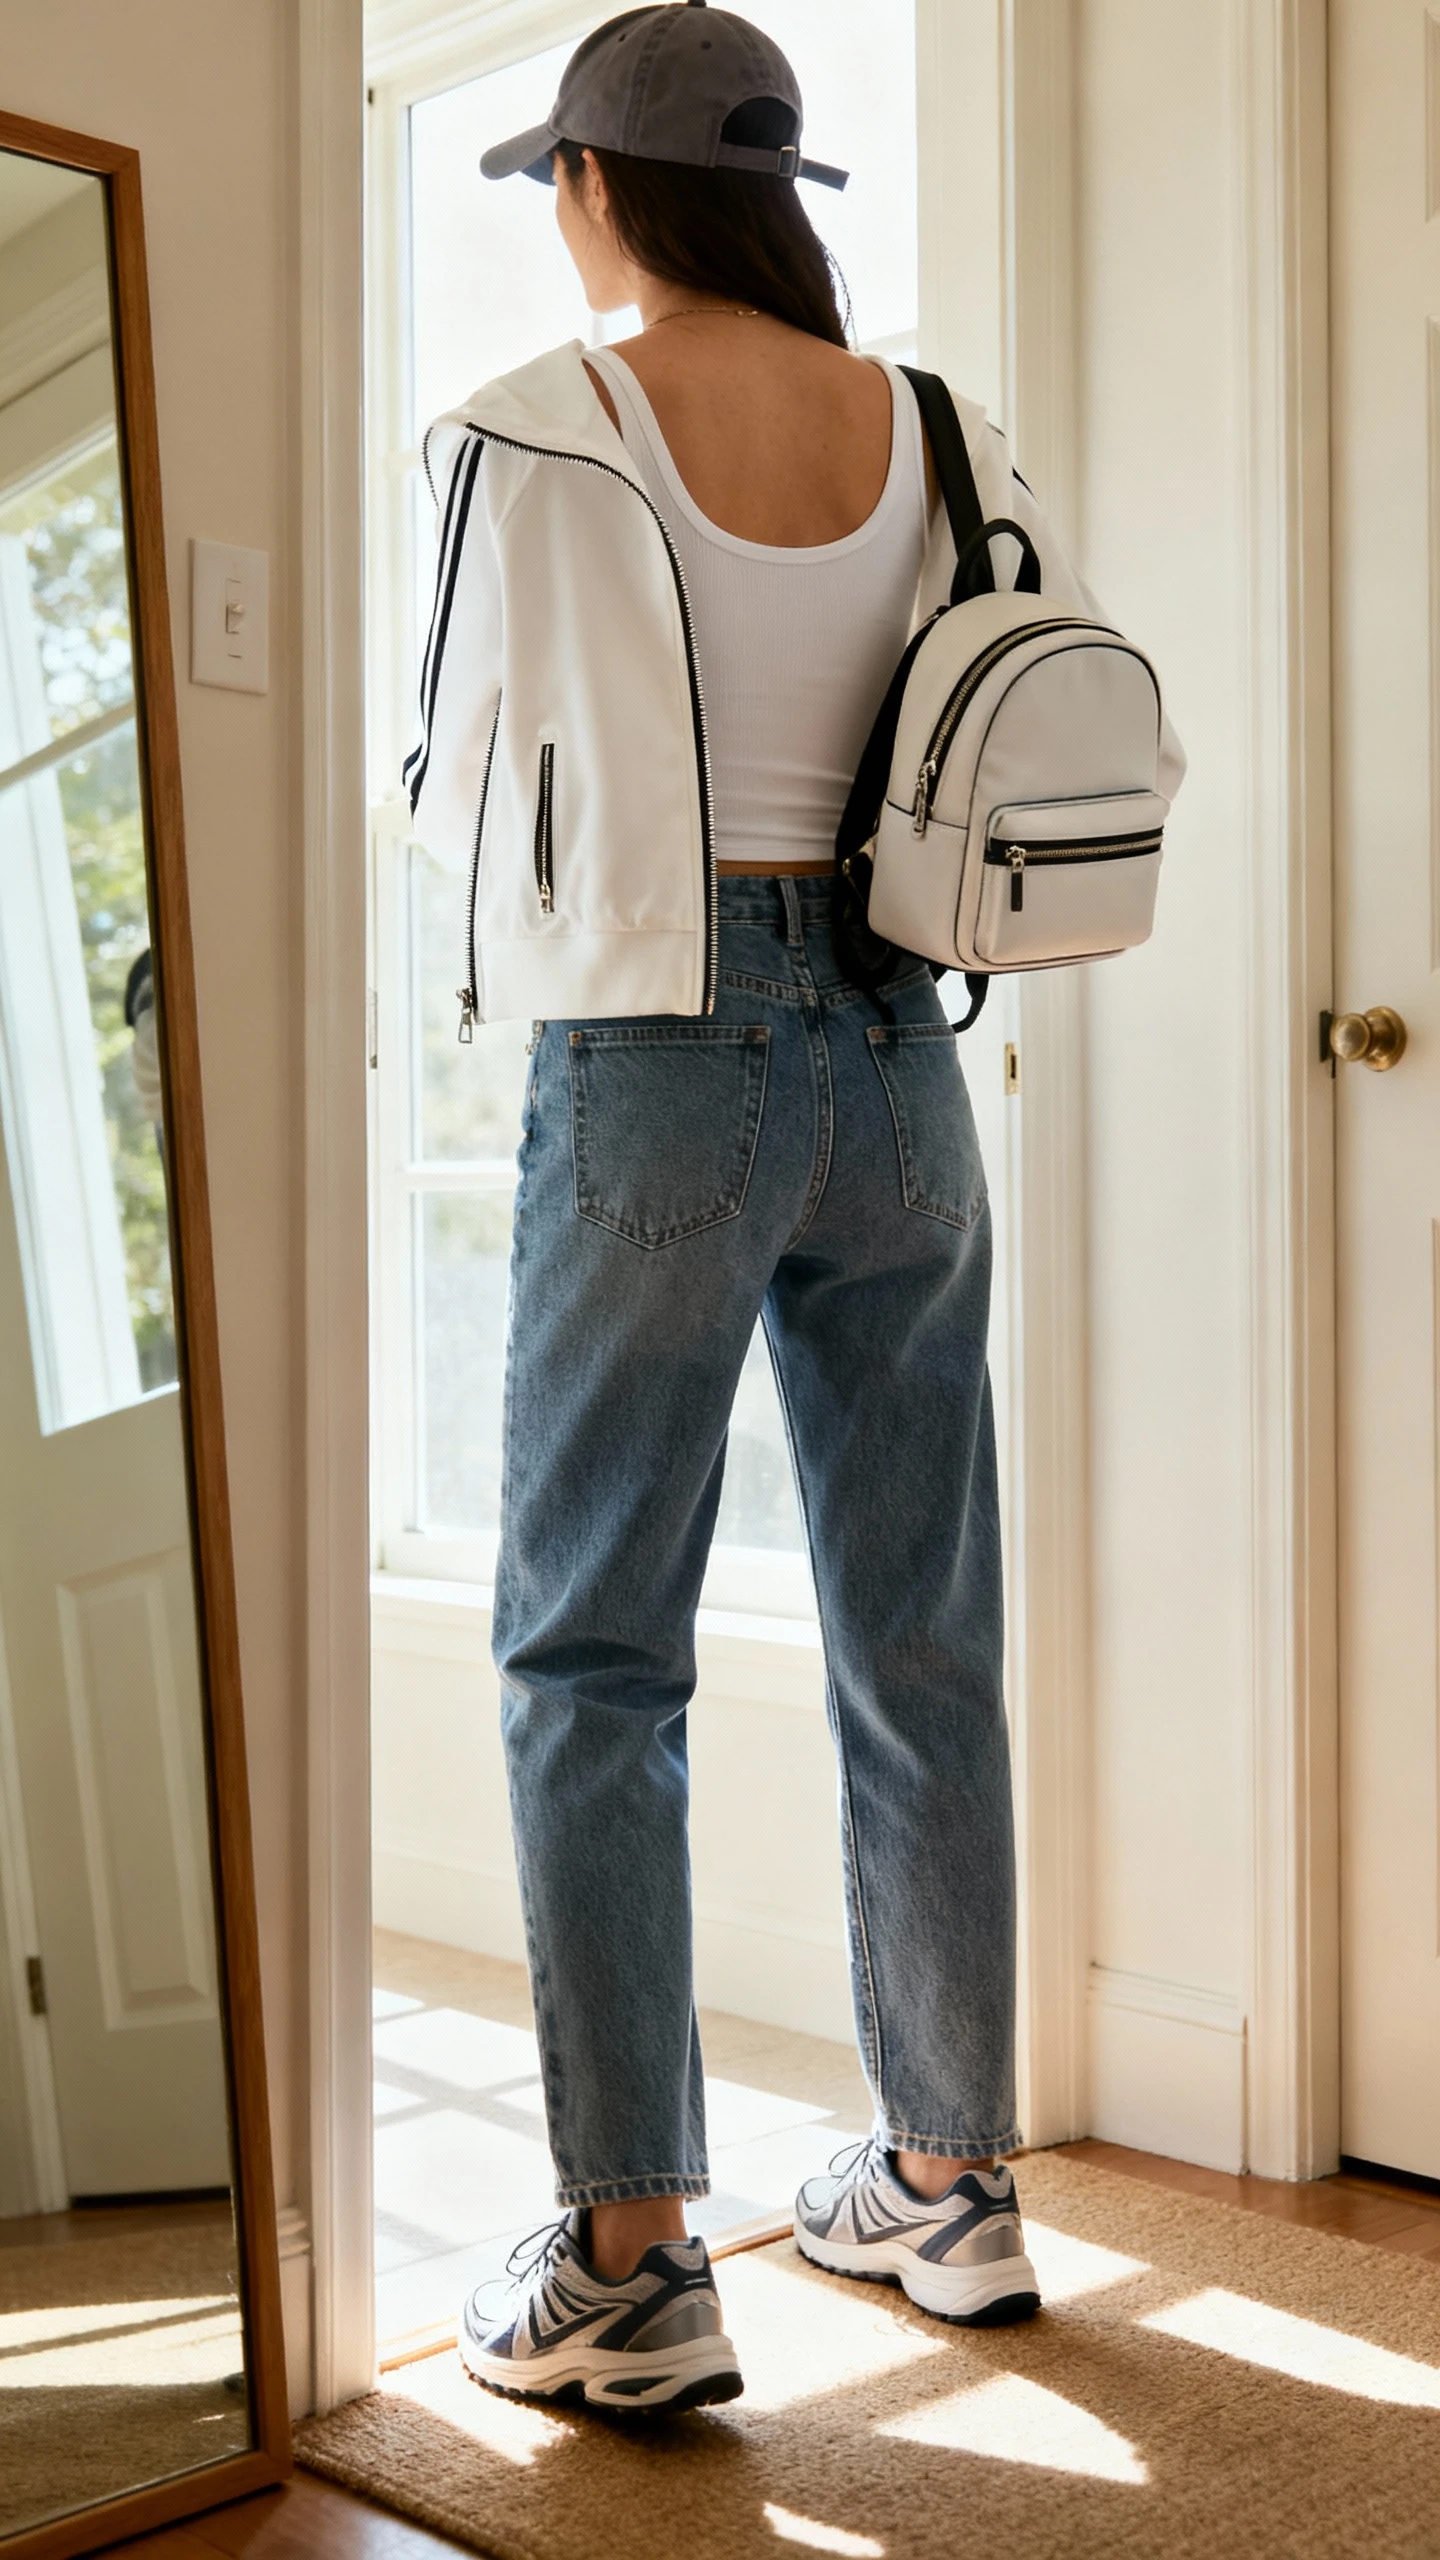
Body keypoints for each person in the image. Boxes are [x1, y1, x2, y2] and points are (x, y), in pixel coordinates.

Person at [408, 1, 1183, 2418]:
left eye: (563, 174)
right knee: (919, 1634)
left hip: (657, 1054)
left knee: (589, 1655)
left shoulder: (530, 419)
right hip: (903, 1053)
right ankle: (948, 2182)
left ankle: (635, 2257)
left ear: (607, 185)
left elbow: (449, 778)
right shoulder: (931, 424)